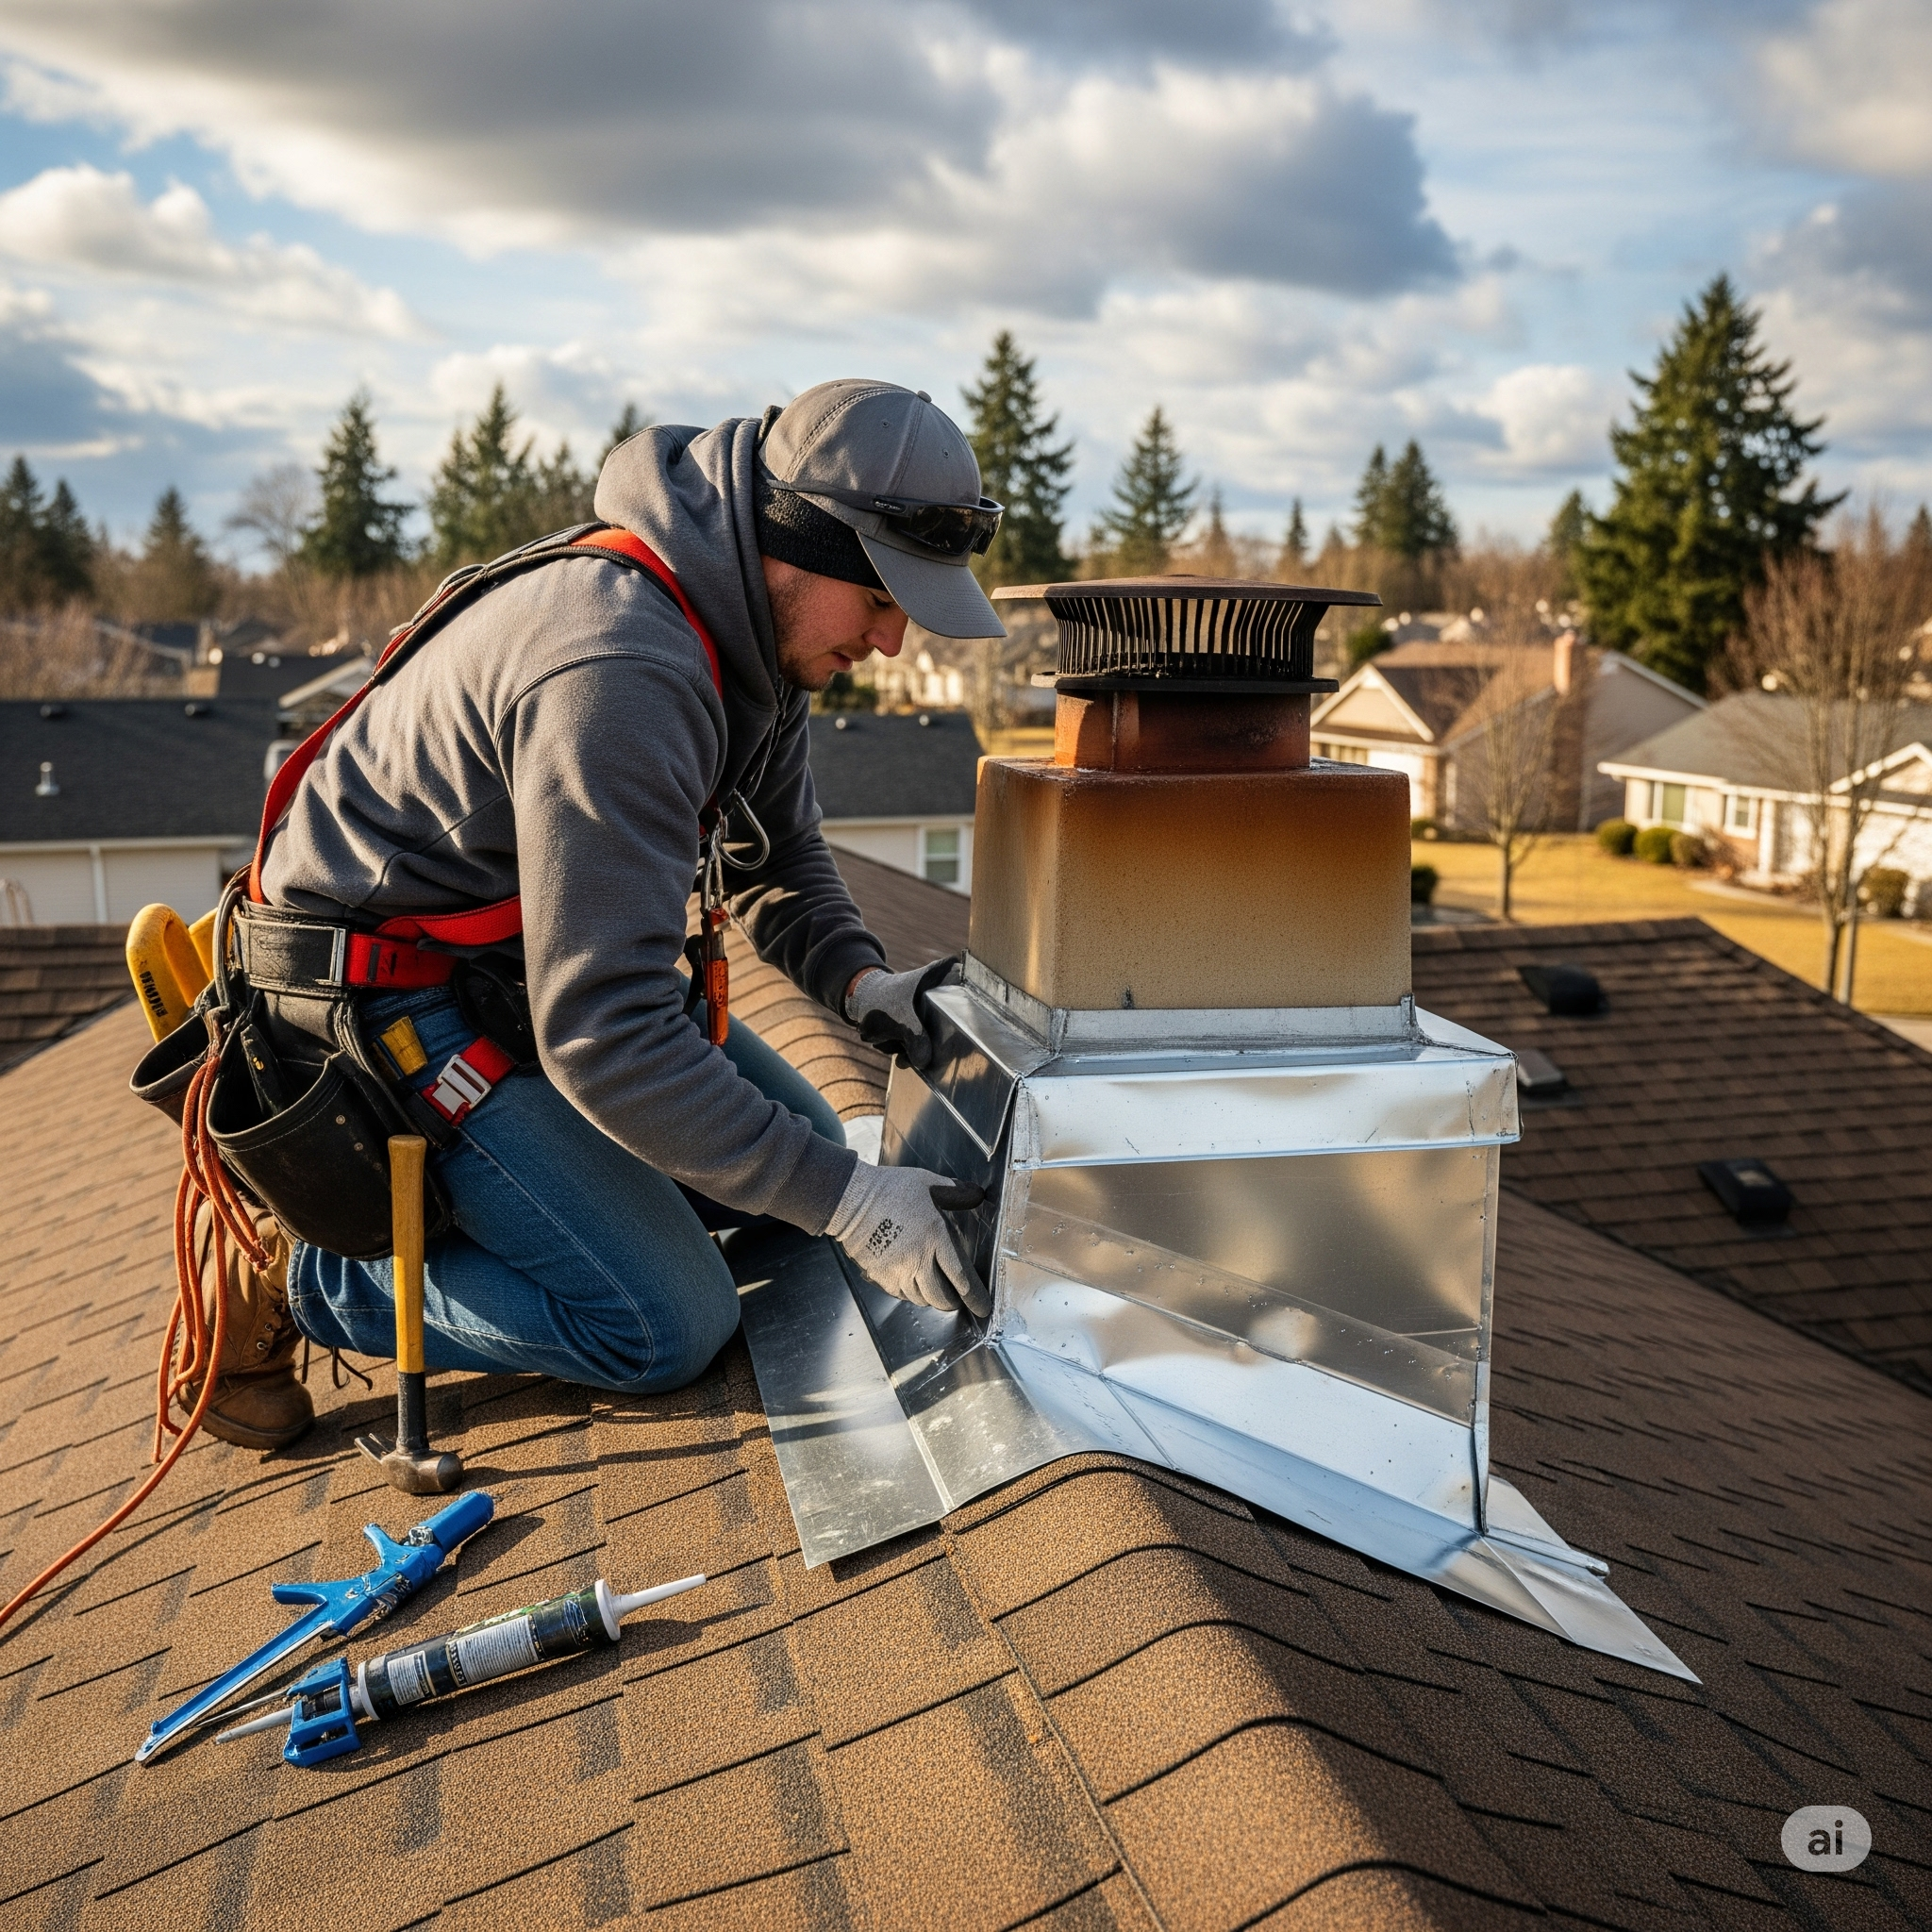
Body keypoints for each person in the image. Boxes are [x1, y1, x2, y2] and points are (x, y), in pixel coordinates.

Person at [193, 380, 1005, 1448]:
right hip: (375, 998)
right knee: (664, 1321)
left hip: (505, 960)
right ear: (800, 545)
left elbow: (779, 855)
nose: (893, 643)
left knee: (796, 1163)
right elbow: (607, 1034)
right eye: (883, 602)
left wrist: (864, 987)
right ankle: (306, 1279)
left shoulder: (752, 639)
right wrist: (852, 1202)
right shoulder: (621, 666)